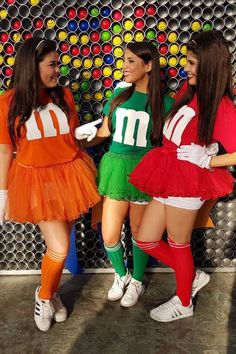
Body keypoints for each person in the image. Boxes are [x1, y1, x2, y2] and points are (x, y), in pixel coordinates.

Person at [129, 30, 236, 322]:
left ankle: (184, 302)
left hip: (188, 181)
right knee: (146, 239)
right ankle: (190, 274)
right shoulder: (187, 92)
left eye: (192, 62)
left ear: (210, 65)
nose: (186, 67)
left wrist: (210, 159)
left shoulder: (222, 105)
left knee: (179, 243)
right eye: (187, 61)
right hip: (166, 174)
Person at [0, 37, 100, 331]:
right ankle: (44, 296)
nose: (58, 70)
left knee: (60, 244)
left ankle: (51, 292)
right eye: (52, 64)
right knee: (58, 247)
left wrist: (84, 136)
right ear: (32, 66)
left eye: (58, 63)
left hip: (71, 174)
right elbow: (5, 150)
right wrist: (2, 192)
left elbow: (69, 138)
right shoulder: (7, 102)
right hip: (36, 180)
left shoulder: (64, 95)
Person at [76, 41, 174, 307]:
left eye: (131, 61)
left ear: (148, 65)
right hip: (116, 169)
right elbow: (105, 133)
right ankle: (122, 275)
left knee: (141, 234)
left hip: (144, 171)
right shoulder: (117, 96)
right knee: (109, 234)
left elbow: (171, 143)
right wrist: (78, 141)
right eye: (124, 60)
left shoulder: (166, 103)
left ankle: (138, 282)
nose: (124, 66)